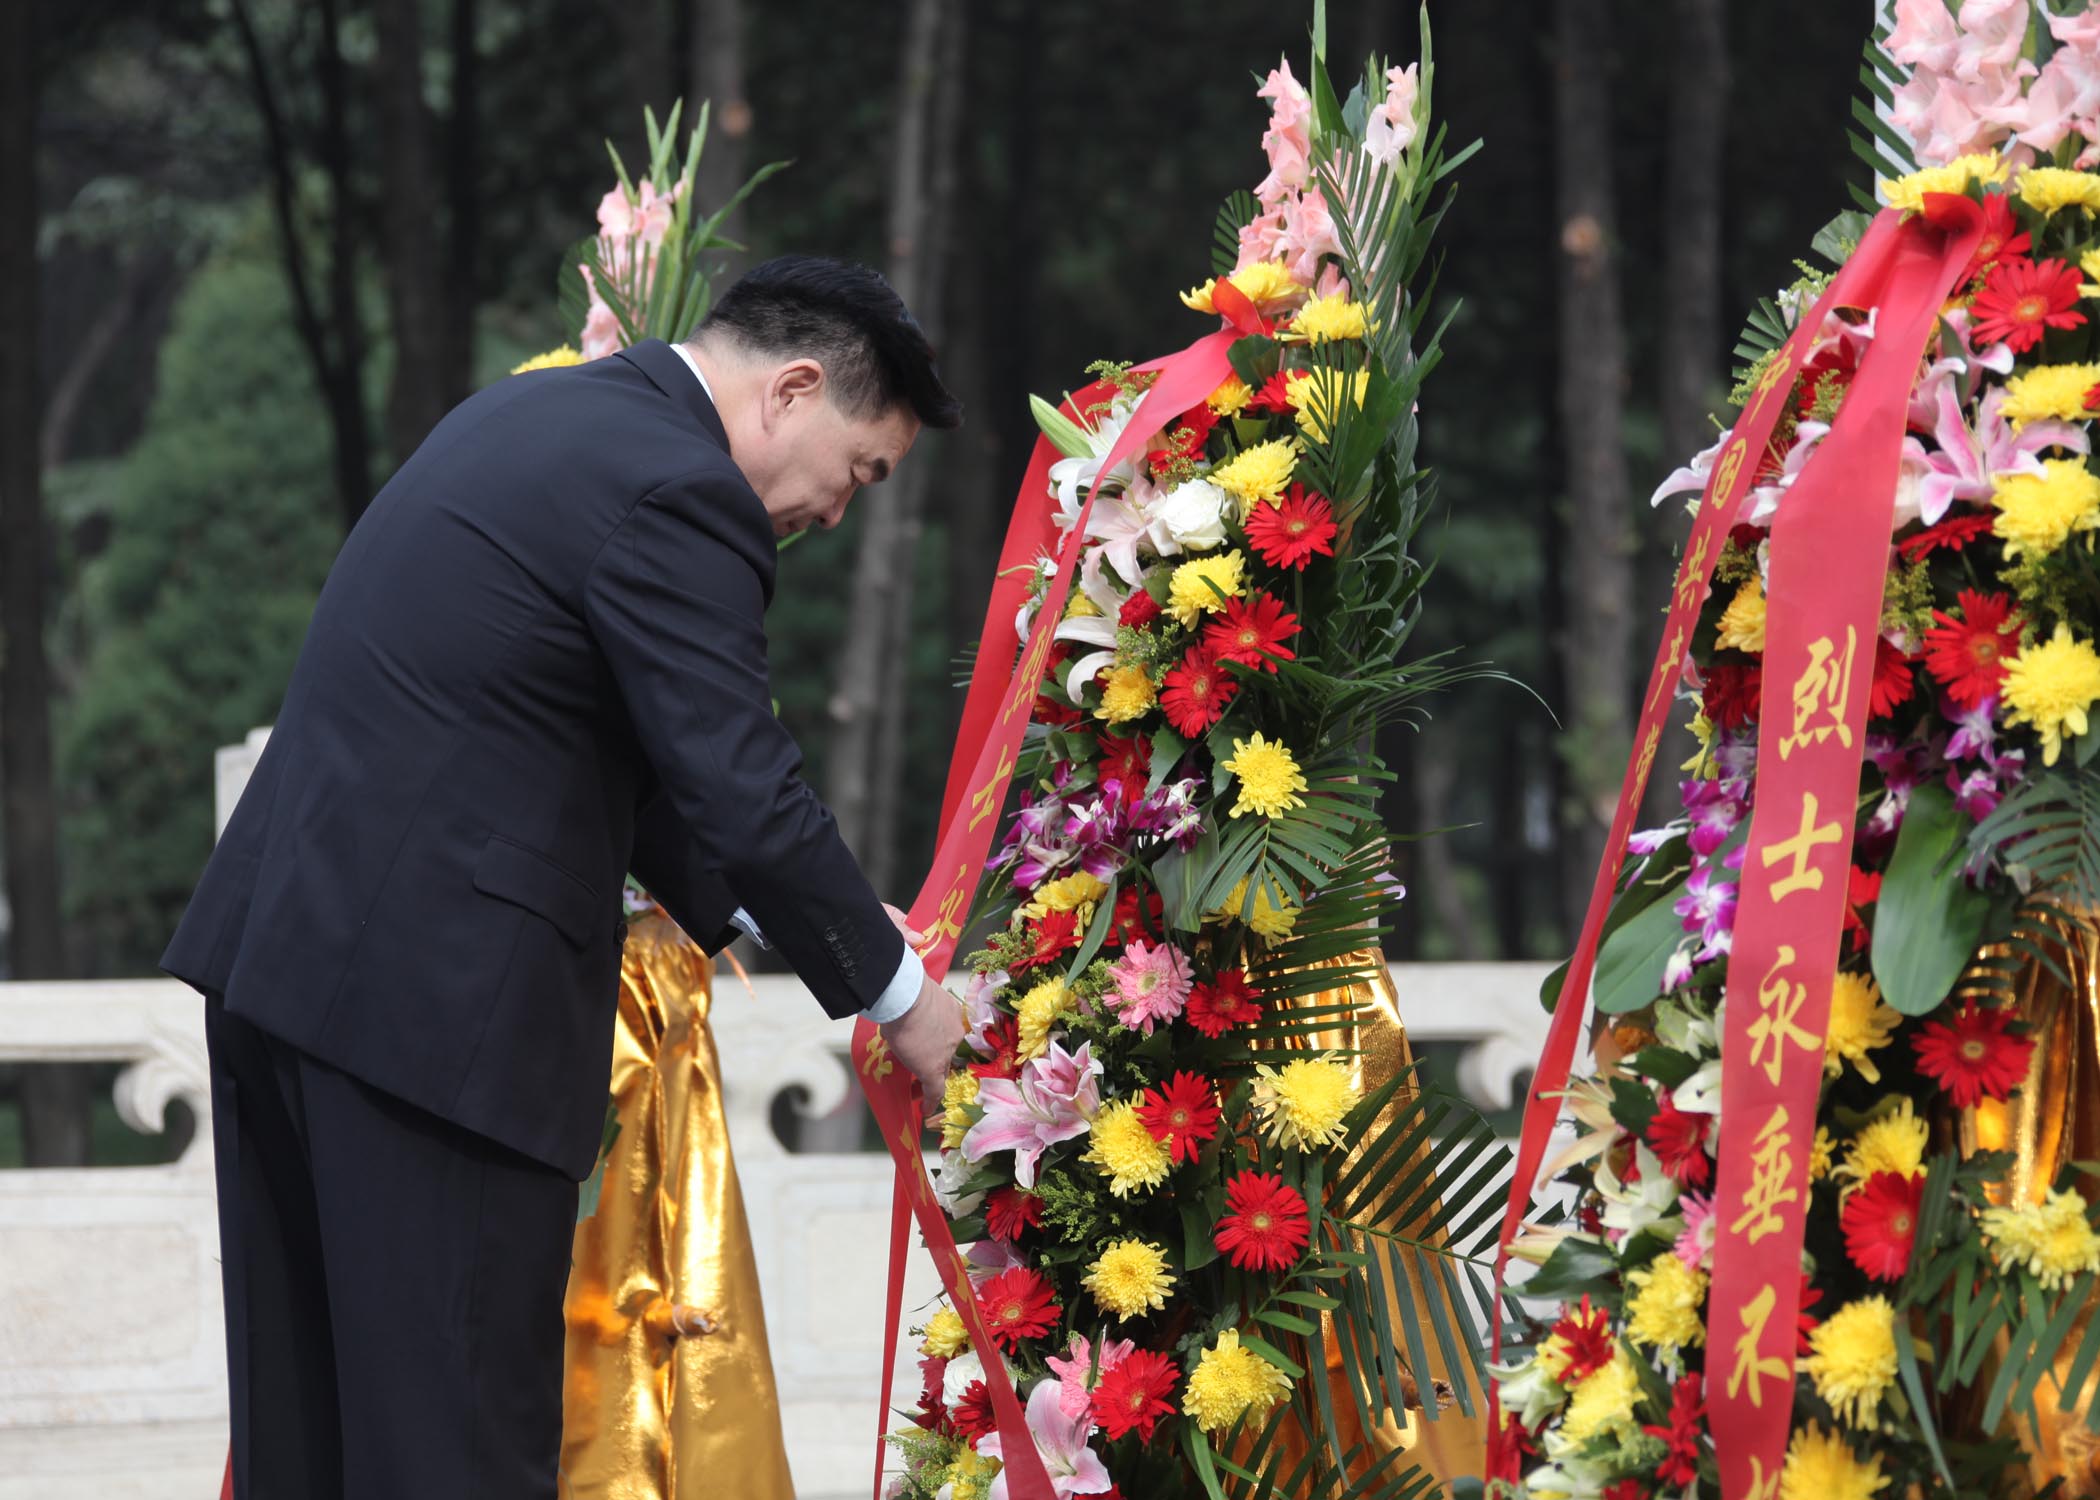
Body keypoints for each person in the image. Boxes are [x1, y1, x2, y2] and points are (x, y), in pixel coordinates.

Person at [162, 254, 968, 1500]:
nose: (835, 513)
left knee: (312, 1448)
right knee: (454, 1454)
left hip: (290, 972)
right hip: (432, 1023)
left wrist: (825, 922)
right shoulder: (683, 488)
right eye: (859, 472)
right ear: (792, 391)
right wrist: (904, 997)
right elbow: (740, 784)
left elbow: (621, 759)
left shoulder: (535, 415)